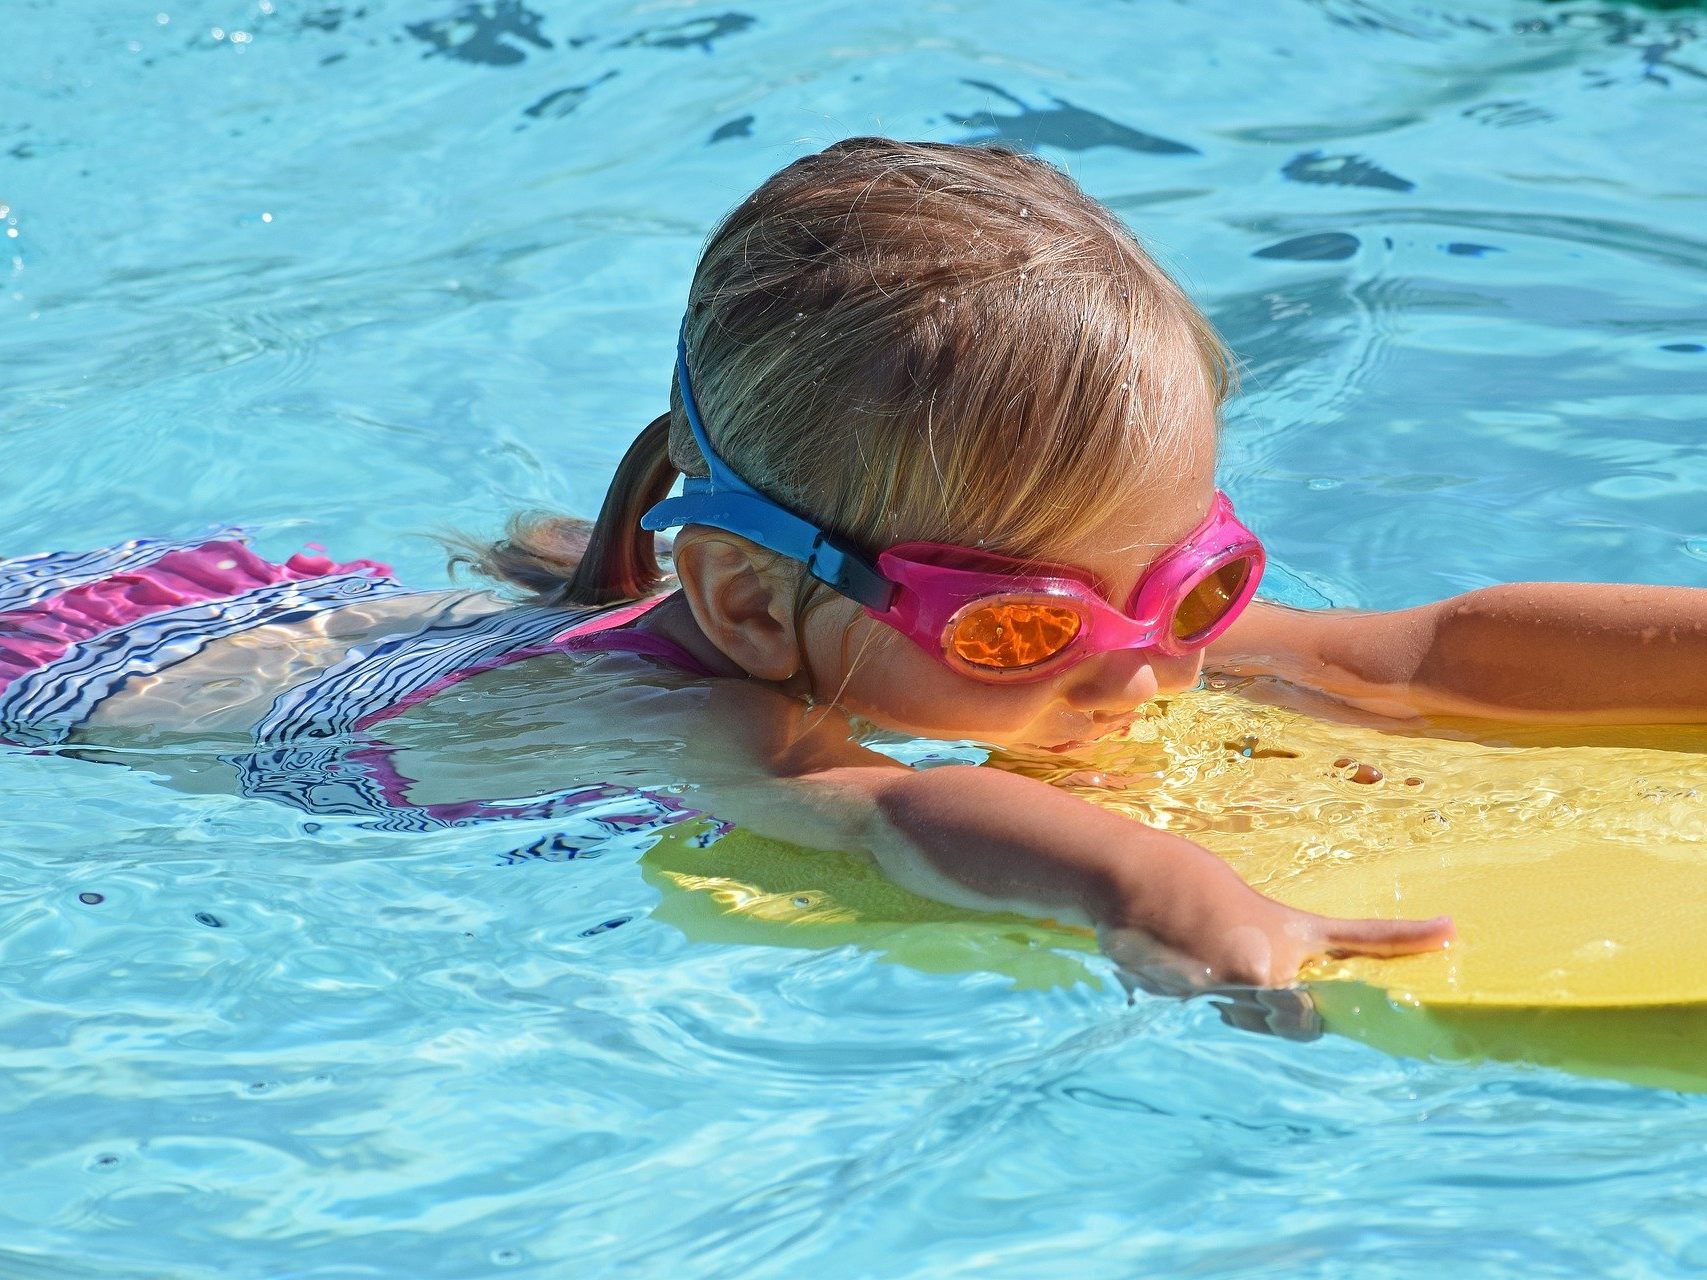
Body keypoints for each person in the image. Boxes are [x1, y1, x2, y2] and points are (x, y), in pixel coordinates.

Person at [3, 139, 1702, 992]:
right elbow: (885, 813)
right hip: (80, 692)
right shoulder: (706, 728)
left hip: (270, 610)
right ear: (749, 607)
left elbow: (1414, 657)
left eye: (1193, 582)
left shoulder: (1040, 635)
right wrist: (1166, 894)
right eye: (1024, 622)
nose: (1146, 667)